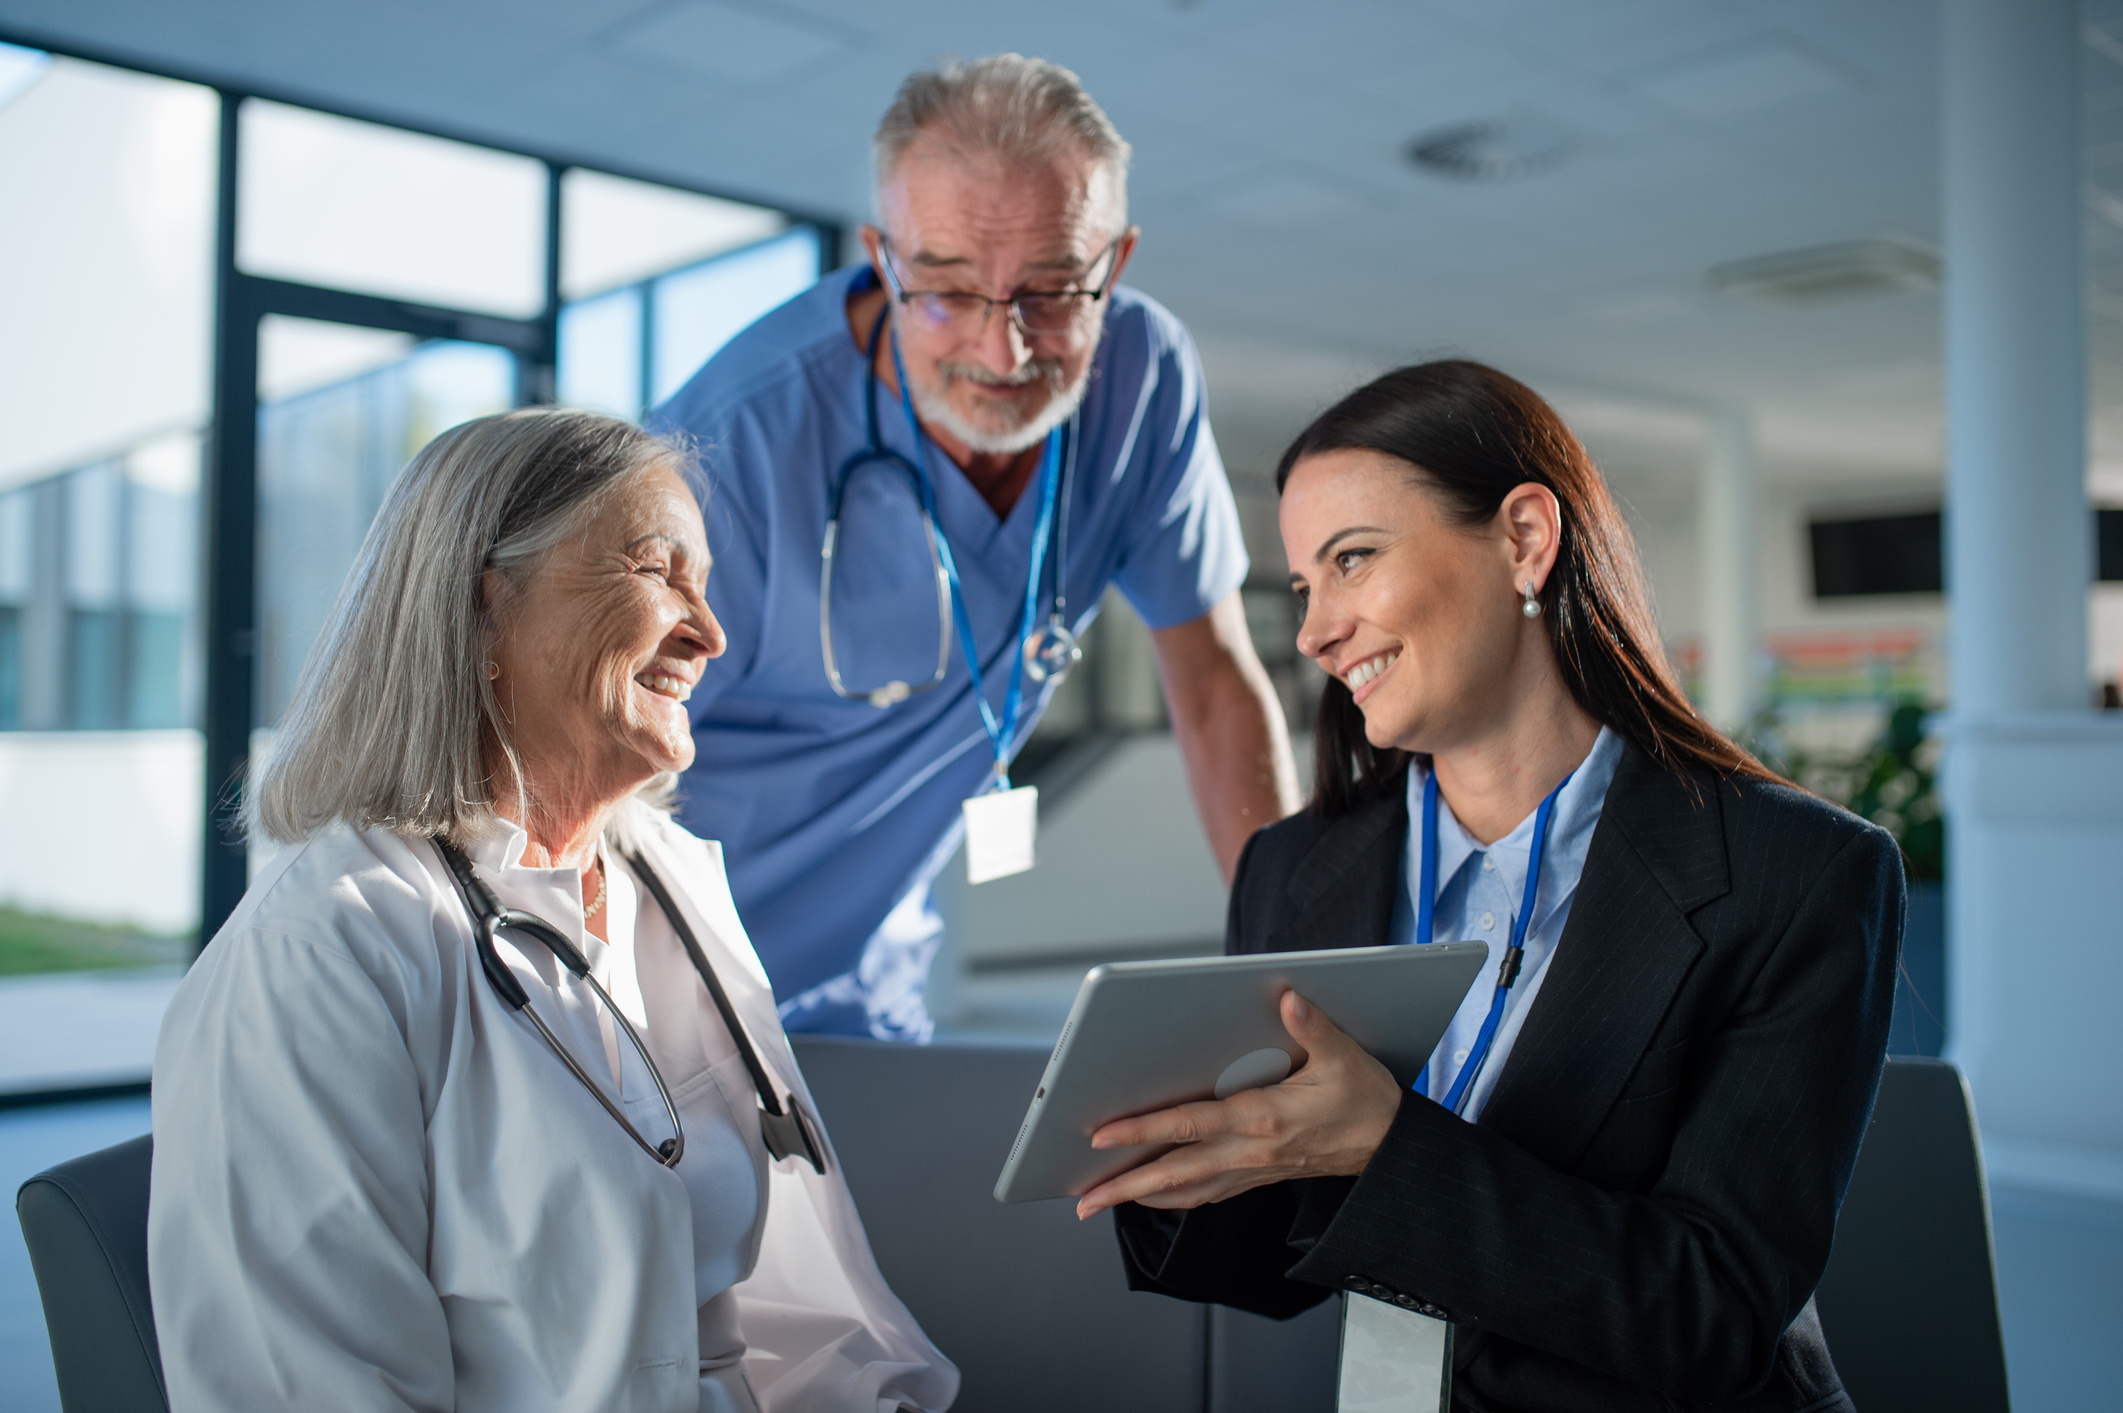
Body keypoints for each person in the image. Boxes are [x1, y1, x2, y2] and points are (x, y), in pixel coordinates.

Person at [1077, 362, 1904, 1412]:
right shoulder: (1291, 866)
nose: (1313, 631)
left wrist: (1383, 1148)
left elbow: (1710, 1311)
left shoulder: (1794, 875)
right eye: (1303, 587)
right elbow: (1277, 1268)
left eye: (1352, 561)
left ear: (1522, 538)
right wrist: (1190, 1160)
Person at [148, 410, 955, 1413]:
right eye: (660, 572)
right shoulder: (319, 953)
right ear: (486, 608)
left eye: (705, 585)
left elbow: (800, 1308)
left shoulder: (665, 878)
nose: (710, 635)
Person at [649, 54, 1299, 1041]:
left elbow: (1212, 685)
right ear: (883, 260)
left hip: (873, 982)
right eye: (947, 293)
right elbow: (576, 761)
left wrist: (1296, 971)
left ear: (1113, 268)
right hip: (666, 976)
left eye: (1048, 293)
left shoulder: (1140, 381)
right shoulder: (723, 452)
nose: (1006, 356)